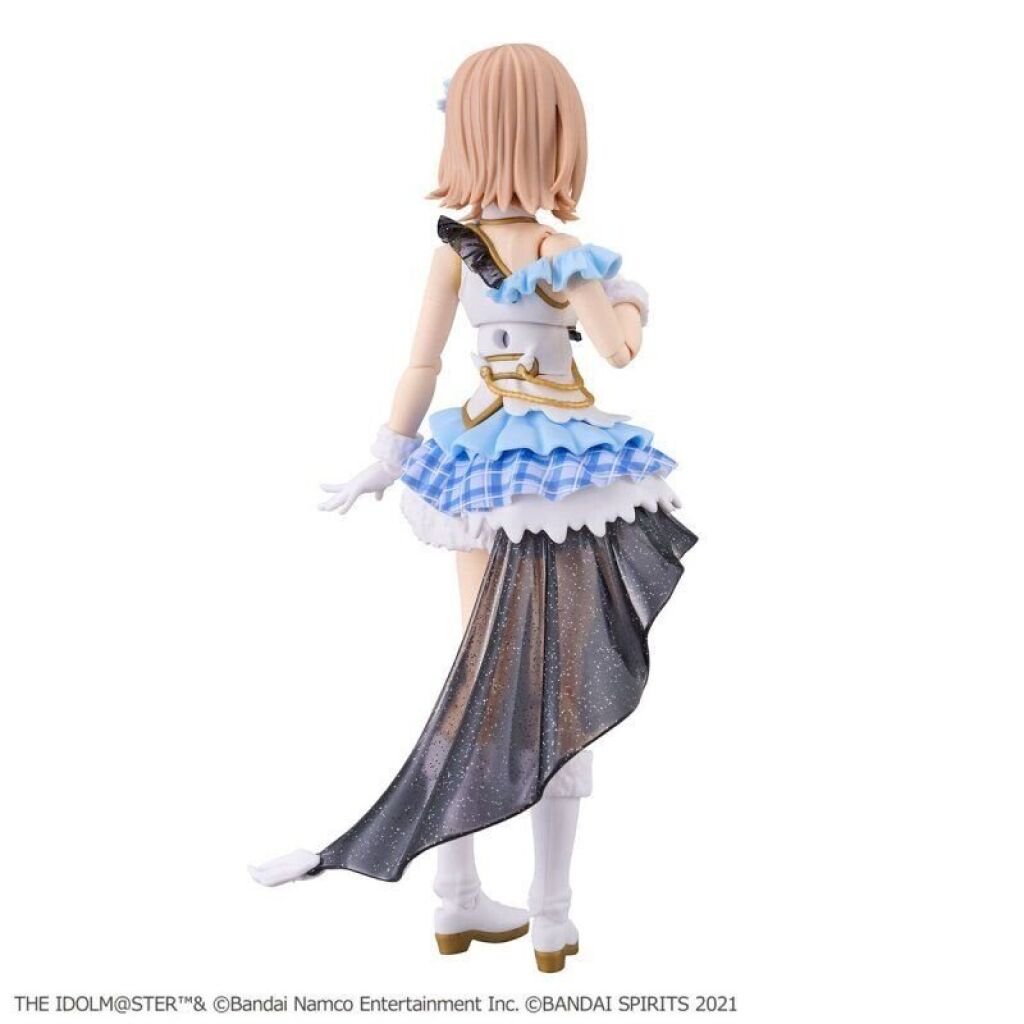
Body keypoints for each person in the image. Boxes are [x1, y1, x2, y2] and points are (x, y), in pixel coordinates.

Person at [250, 43, 696, 974]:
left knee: (483, 672)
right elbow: (618, 352)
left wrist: (388, 456)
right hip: (564, 477)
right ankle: (552, 916)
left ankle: (456, 900)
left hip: (481, 466)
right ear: (554, 137)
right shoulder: (562, 251)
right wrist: (632, 303)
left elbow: (420, 364)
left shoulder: (454, 250)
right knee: (557, 687)